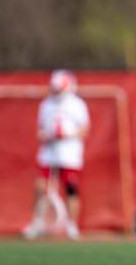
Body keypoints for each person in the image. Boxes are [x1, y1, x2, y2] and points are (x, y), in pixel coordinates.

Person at [22, 70, 90, 240]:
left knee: (71, 189)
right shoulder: (46, 105)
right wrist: (47, 135)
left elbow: (85, 130)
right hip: (49, 152)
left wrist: (67, 133)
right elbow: (39, 130)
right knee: (40, 186)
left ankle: (72, 225)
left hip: (70, 154)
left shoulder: (77, 104)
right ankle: (37, 222)